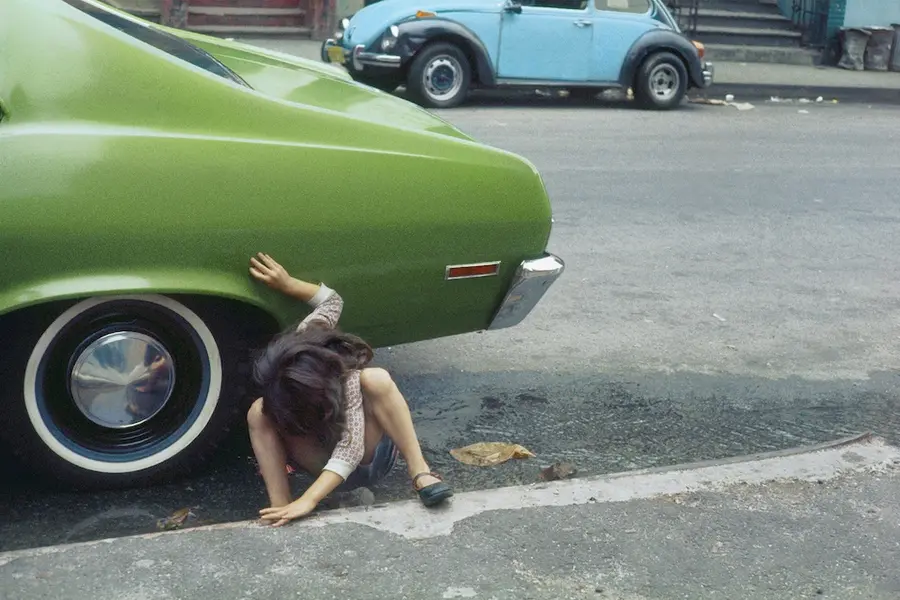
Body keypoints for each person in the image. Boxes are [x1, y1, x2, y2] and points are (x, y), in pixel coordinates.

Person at [246, 253, 453, 527]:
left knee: (377, 379)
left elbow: (350, 450)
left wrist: (309, 500)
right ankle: (280, 504)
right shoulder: (309, 334)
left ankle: (420, 471)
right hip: (317, 458)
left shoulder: (348, 379)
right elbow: (332, 301)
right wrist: (287, 284)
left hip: (366, 461)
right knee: (259, 410)